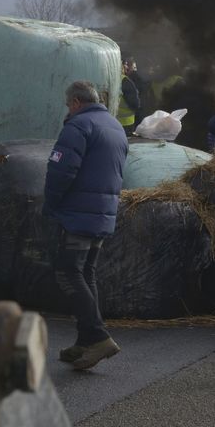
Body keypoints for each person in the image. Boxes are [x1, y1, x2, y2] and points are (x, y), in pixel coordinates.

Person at [44, 80, 128, 370]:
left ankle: (98, 336)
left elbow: (61, 169)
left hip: (78, 214)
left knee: (68, 272)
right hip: (103, 212)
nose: (68, 109)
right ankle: (84, 343)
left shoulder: (78, 126)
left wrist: (51, 203)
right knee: (86, 273)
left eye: (69, 105)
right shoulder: (115, 127)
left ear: (76, 102)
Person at [116, 59, 141, 134]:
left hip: (111, 122)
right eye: (125, 64)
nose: (126, 67)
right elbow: (135, 104)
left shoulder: (107, 80)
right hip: (126, 124)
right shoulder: (124, 81)